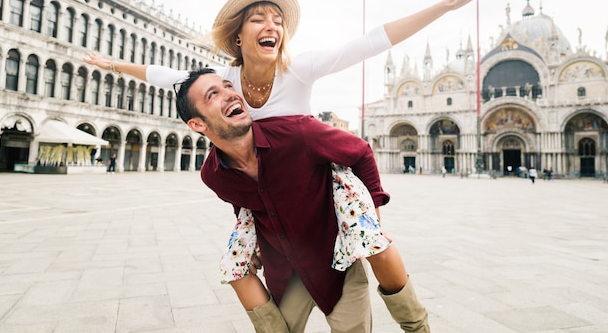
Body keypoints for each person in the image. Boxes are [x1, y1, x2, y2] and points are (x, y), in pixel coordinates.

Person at [83, 0, 502, 331]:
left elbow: (373, 40)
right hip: (263, 185)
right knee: (239, 260)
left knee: (372, 241)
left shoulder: (299, 70)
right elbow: (168, 75)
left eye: (278, 20)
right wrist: (112, 65)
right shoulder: (225, 78)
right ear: (238, 34)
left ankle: (416, 323)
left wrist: (447, 5)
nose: (273, 26)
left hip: (319, 175)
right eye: (259, 19)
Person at [175, 68, 430, 332]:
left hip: (337, 264)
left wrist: (372, 220)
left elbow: (361, 152)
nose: (230, 94)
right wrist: (253, 250)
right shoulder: (213, 175)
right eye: (213, 94)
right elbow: (243, 206)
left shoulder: (297, 133)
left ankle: (418, 327)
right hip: (285, 272)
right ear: (197, 124)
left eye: (228, 86)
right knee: (236, 269)